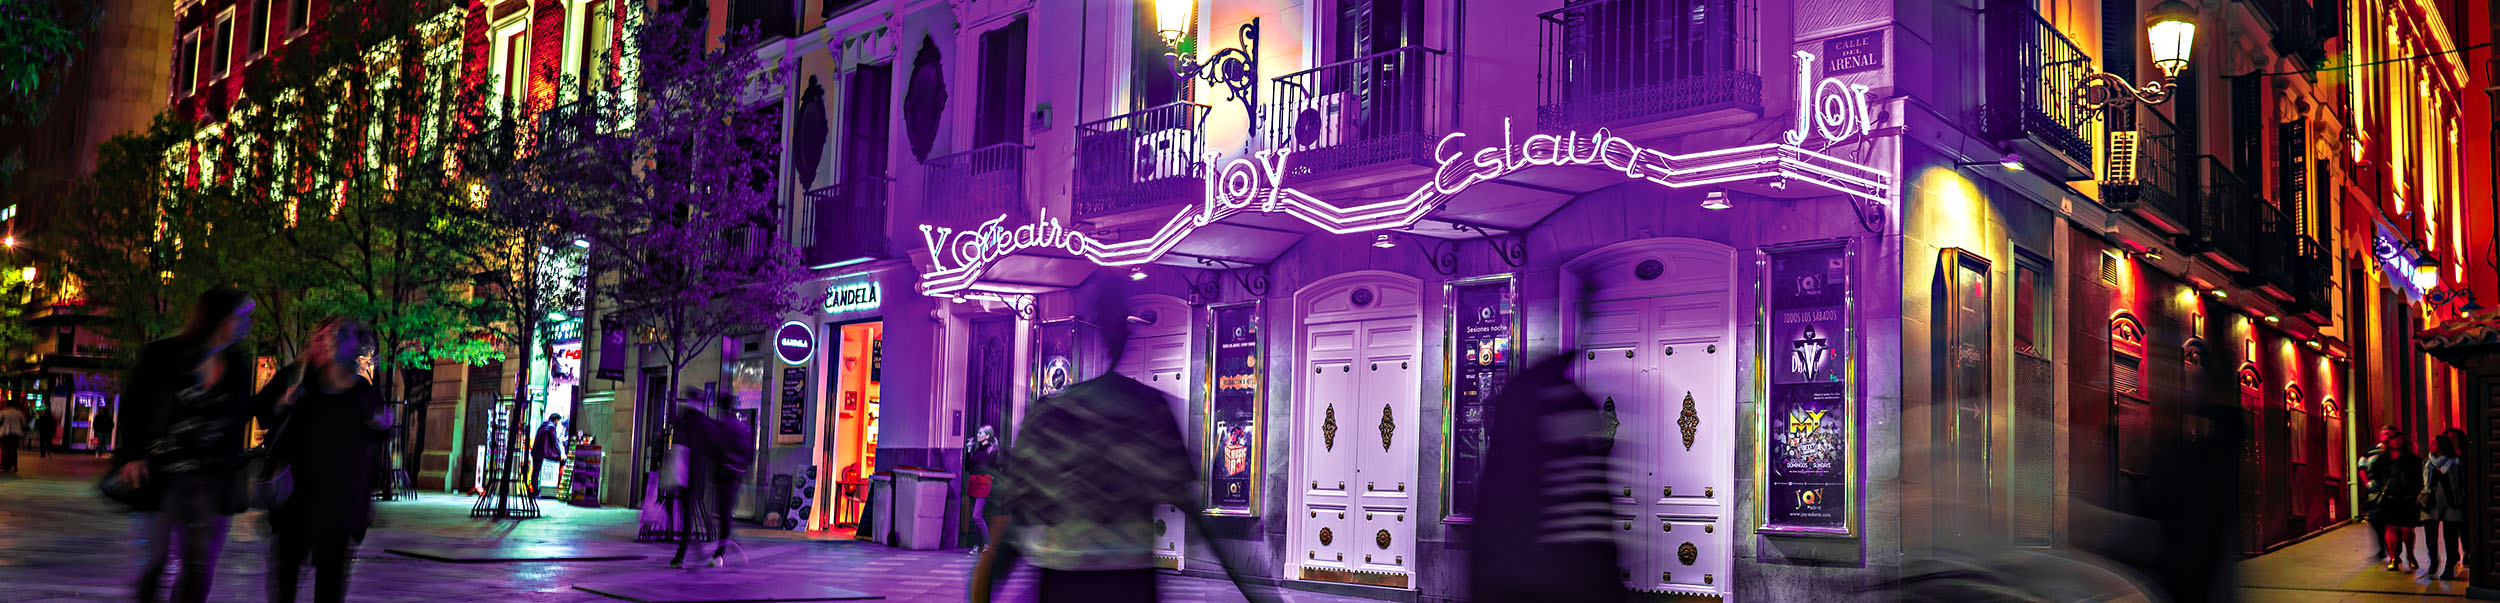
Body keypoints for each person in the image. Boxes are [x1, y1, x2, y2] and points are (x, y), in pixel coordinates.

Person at [969, 272, 1274, 603]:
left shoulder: (1053, 413)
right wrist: (1255, 591)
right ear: (1125, 330)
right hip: (1130, 579)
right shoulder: (1149, 409)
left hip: (1064, 576)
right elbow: (1194, 510)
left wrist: (988, 583)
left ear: (1097, 327)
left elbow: (1016, 518)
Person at [113, 286, 256, 603]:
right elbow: (134, 408)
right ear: (220, 317)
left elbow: (238, 419)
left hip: (211, 478)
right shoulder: (163, 355)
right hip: (161, 475)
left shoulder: (238, 365)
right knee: (155, 560)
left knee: (198, 567)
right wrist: (133, 455)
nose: (249, 323)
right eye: (244, 315)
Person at [261, 319, 391, 603]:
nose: (335, 341)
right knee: (286, 578)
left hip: (340, 506)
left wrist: (382, 427)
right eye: (334, 336)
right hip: (298, 501)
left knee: (330, 581)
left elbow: (373, 442)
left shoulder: (363, 392)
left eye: (343, 337)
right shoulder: (306, 384)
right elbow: (269, 418)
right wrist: (284, 403)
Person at [670, 393, 750, 568]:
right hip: (721, 475)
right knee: (723, 515)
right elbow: (739, 452)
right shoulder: (729, 426)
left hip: (697, 474)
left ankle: (685, 555)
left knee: (691, 515)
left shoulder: (690, 420)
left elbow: (715, 450)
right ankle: (717, 554)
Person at [2365, 431, 2426, 572]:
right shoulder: (2382, 460)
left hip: (2407, 498)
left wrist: (2416, 492)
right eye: (2394, 440)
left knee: (2407, 529)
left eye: (2400, 440)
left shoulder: (2412, 459)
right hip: (2389, 498)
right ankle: (2393, 558)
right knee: (2390, 528)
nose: (2397, 442)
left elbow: (2418, 477)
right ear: (2389, 442)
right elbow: (2375, 475)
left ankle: (2410, 554)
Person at [2424, 433, 2467, 580]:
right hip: (2431, 503)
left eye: (2434, 443)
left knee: (2450, 536)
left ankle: (2450, 564)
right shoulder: (2428, 462)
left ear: (2442, 446)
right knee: (2430, 534)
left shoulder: (2455, 463)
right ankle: (2433, 560)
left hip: (2451, 502)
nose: (2430, 445)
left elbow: (2462, 482)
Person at [2358, 427, 2396, 562]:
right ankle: (2382, 545)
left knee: (2392, 521)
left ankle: (2394, 551)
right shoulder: (2370, 452)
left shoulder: (2395, 452)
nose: (2387, 436)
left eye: (2390, 434)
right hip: (2375, 490)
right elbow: (2362, 468)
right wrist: (2367, 484)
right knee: (2375, 519)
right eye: (2385, 433)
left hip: (2393, 491)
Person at [963, 425, 997, 556]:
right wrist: (968, 450)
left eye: (980, 433)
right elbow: (968, 467)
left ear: (987, 436)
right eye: (977, 433)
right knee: (975, 517)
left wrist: (975, 467)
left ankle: (987, 545)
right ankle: (977, 545)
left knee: (976, 515)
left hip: (983, 482)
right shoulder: (977, 451)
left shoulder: (992, 449)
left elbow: (984, 467)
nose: (977, 436)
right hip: (973, 482)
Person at [532, 413, 565, 497]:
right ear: (556, 420)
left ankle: (535, 491)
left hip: (535, 451)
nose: (558, 423)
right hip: (540, 452)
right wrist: (560, 453)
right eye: (558, 421)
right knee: (536, 471)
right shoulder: (551, 427)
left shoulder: (543, 425)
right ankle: (535, 492)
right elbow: (555, 441)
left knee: (535, 471)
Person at [0, 402, 25, 472]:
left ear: (6, 405)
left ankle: (4, 465)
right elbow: (23, 422)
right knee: (14, 449)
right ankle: (14, 466)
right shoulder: (19, 413)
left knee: (5, 449)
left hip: (4, 433)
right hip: (16, 433)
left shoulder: (3, 412)